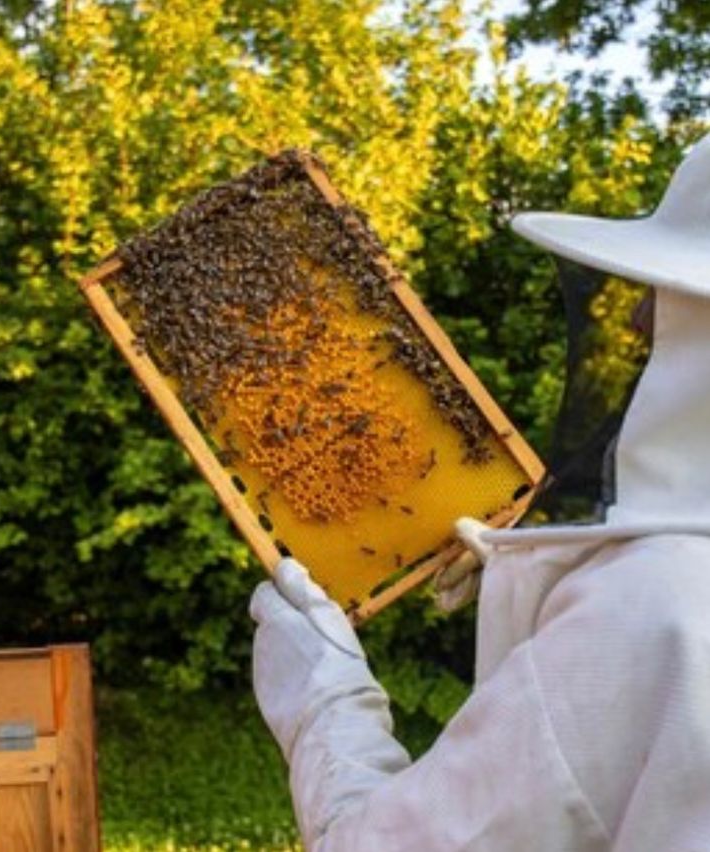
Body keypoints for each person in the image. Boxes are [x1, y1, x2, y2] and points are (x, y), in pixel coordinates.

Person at [250, 133, 710, 851]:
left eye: (661, 298)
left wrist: (323, 696)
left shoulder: (655, 613)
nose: (635, 319)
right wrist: (528, 583)